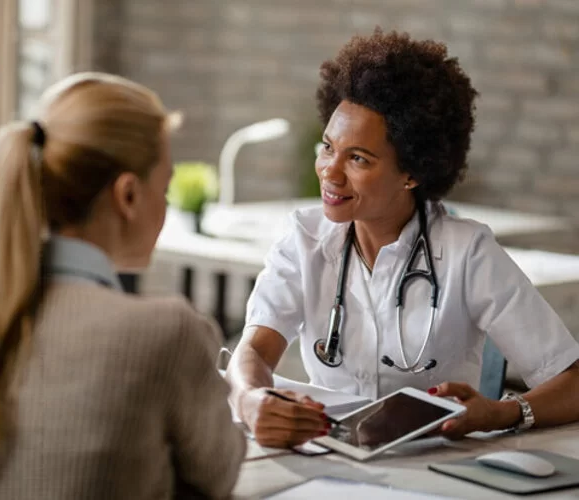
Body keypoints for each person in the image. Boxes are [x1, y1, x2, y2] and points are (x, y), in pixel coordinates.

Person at [0, 72, 245, 500]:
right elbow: (220, 474)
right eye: (164, 186)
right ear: (127, 196)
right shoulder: (167, 335)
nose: (165, 203)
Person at [226, 29, 579, 449]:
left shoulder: (467, 253)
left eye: (358, 158)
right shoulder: (305, 238)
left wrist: (501, 411)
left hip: (435, 468)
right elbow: (254, 350)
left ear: (412, 172)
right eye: (328, 148)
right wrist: (249, 399)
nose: (330, 172)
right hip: (328, 461)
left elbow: (570, 382)